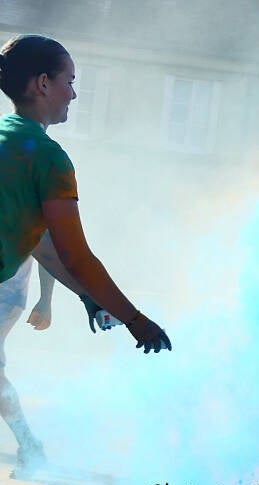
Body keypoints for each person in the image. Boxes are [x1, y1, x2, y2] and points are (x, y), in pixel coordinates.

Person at [0, 34, 170, 353]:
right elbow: (76, 257)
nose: (74, 94)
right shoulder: (48, 158)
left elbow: (38, 244)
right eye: (70, 82)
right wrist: (136, 320)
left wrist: (88, 295)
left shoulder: (5, 136)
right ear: (43, 84)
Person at [0, 257, 54, 479]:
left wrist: (45, 299)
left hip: (6, 294)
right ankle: (29, 444)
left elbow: (48, 248)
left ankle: (29, 443)